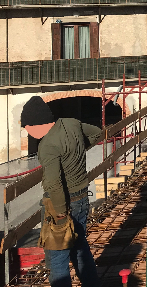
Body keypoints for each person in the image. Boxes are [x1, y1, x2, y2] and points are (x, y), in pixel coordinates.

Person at [20, 96, 101, 287]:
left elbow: (54, 183)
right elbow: (97, 133)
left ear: (35, 123)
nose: (26, 131)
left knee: (58, 261)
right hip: (82, 197)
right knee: (80, 250)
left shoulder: (47, 145)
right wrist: (77, 152)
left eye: (26, 126)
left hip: (62, 205)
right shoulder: (71, 123)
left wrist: (61, 215)